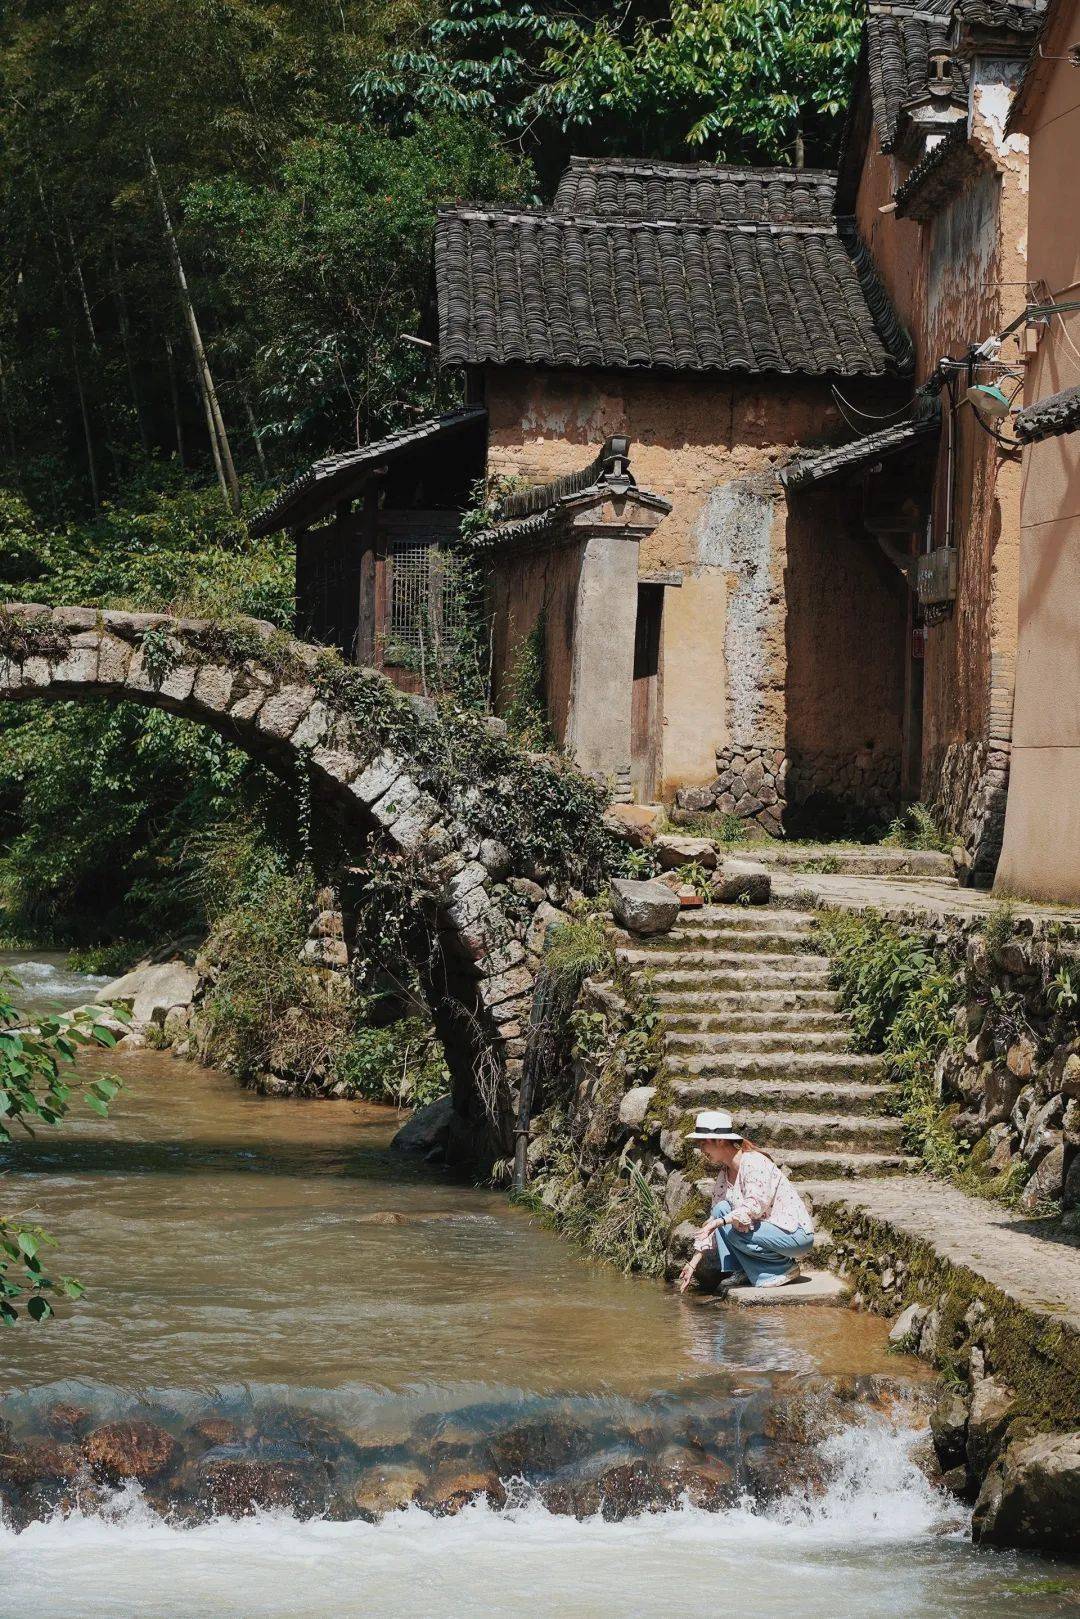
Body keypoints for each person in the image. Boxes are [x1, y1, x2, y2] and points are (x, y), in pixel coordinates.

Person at [677, 1109, 814, 1293]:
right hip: (765, 1232)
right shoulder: (723, 1175)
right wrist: (693, 1263)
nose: (701, 1150)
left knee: (734, 1231)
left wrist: (720, 1222)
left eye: (703, 1143)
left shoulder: (753, 1163)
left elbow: (753, 1207)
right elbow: (713, 1222)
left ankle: (781, 1269)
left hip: (795, 1235)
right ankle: (744, 1270)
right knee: (721, 1209)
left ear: (719, 1140)